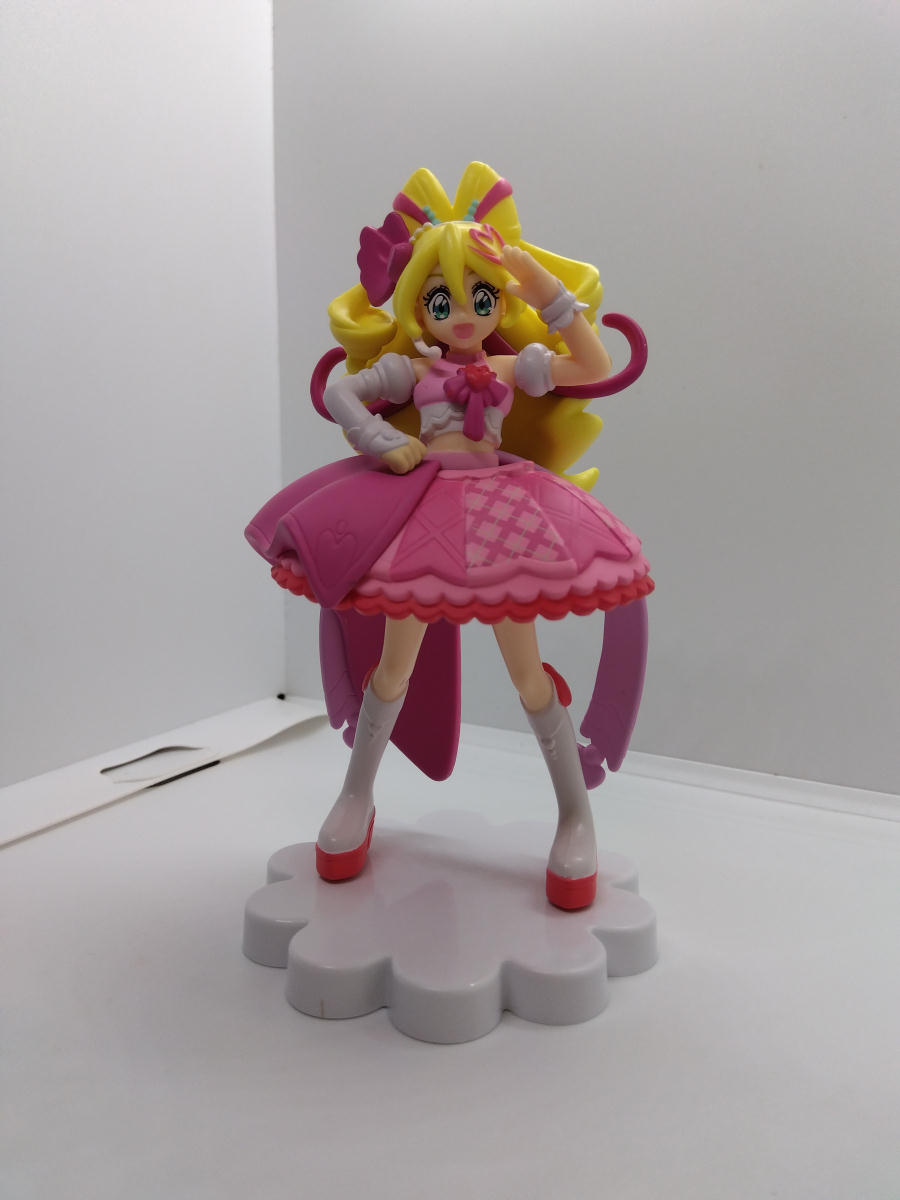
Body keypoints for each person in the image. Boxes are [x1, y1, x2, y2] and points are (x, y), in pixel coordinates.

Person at [245, 162, 653, 910]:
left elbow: (593, 363)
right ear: (417, 306)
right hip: (424, 518)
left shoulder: (509, 365)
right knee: (393, 668)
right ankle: (356, 796)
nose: (462, 313)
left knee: (528, 675)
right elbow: (340, 389)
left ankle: (575, 816)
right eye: (442, 299)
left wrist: (536, 280)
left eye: (480, 296)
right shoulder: (412, 369)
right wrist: (380, 439)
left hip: (500, 518)